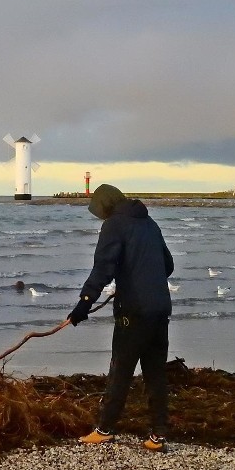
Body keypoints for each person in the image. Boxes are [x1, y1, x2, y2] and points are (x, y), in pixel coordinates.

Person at [67, 184, 175, 452]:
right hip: (160, 308)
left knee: (120, 370)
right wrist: (141, 278)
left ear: (105, 206)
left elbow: (103, 267)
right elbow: (168, 265)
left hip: (134, 311)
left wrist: (85, 302)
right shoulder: (149, 223)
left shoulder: (114, 225)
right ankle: (158, 434)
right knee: (155, 372)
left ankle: (104, 429)